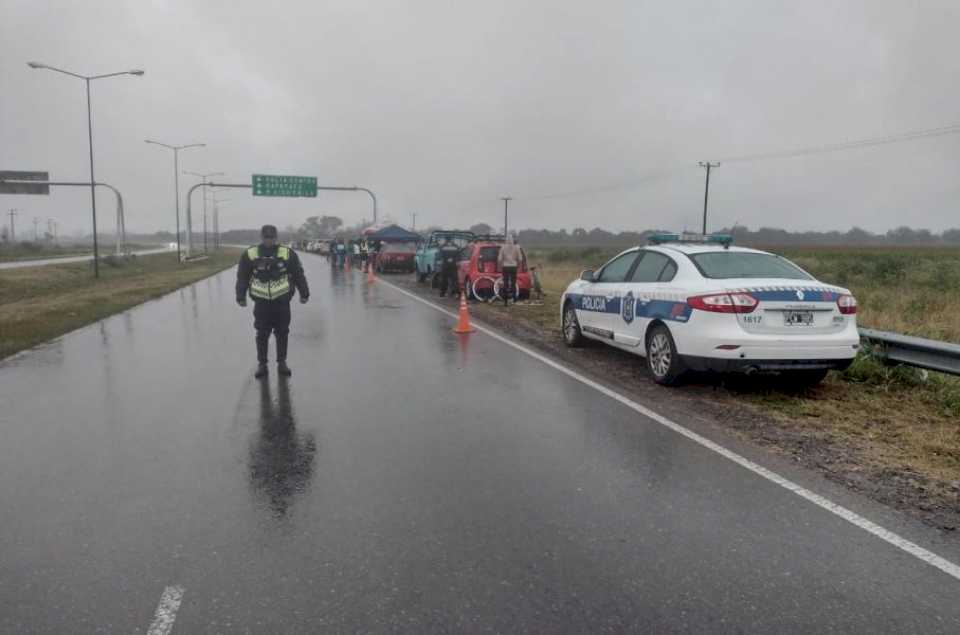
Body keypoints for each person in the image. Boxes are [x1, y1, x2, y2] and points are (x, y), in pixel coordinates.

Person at [236, 225, 310, 378]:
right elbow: (242, 276)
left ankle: (282, 362)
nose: (269, 240)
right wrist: (240, 296)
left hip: (281, 301)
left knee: (282, 332)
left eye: (272, 237)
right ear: (261, 237)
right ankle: (262, 364)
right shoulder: (251, 254)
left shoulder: (287, 253)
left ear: (276, 237)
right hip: (261, 302)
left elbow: (298, 274)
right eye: (266, 237)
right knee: (262, 333)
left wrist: (304, 293)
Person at [497, 234, 521, 306]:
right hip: (514, 266)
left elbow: (499, 259)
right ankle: (514, 298)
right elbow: (520, 259)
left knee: (505, 283)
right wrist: (518, 266)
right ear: (513, 240)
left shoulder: (503, 248)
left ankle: (505, 301)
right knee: (513, 283)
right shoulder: (517, 247)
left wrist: (500, 267)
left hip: (505, 266)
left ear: (506, 240)